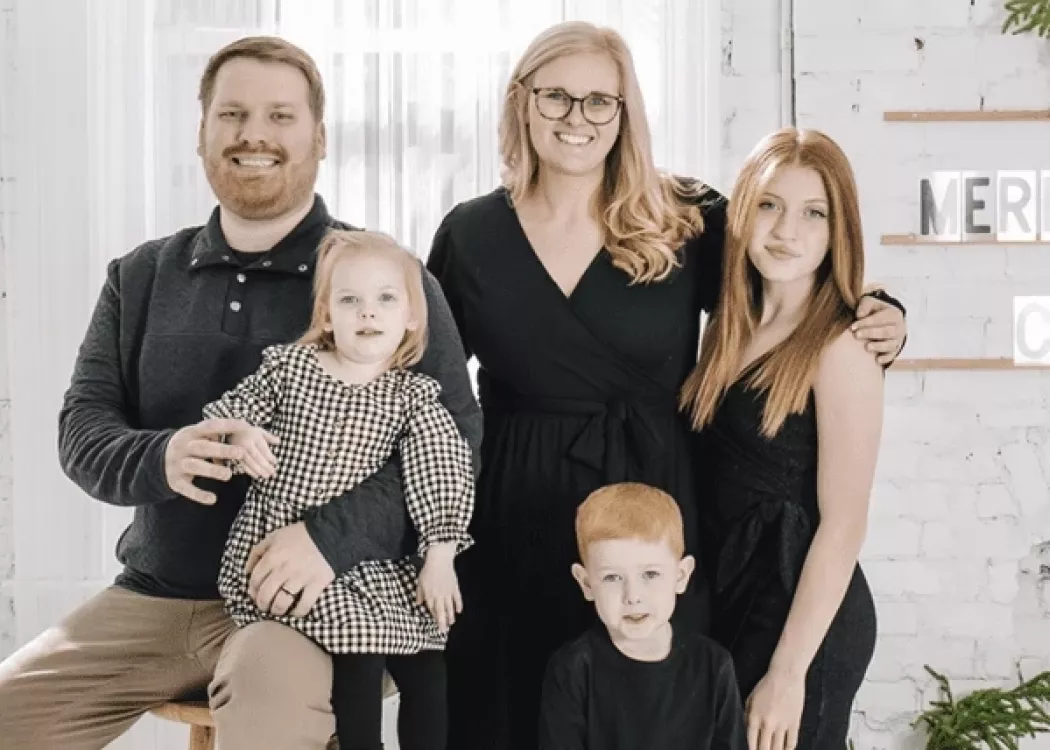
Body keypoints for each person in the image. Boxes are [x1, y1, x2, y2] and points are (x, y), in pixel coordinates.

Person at [424, 20, 905, 750]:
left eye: (600, 101)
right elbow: (423, 390)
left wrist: (884, 311)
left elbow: (790, 272)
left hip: (656, 511)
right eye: (556, 97)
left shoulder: (681, 216)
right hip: (509, 512)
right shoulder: (469, 235)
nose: (577, 119)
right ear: (521, 102)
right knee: (510, 714)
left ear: (626, 112)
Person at [0, 37, 481, 750]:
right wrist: (160, 457)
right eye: (233, 114)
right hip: (152, 598)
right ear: (202, 134)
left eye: (280, 116)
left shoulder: (382, 278)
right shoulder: (140, 277)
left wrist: (328, 539)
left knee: (270, 706)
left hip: (305, 604)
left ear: (318, 137)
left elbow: (455, 441)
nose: (254, 134)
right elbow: (83, 429)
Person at [203, 229, 473, 750]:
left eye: (385, 299)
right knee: (359, 660)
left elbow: (441, 470)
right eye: (351, 300)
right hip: (297, 556)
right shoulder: (290, 370)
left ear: (411, 318)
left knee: (430, 666)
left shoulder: (413, 396)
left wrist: (440, 554)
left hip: (378, 563)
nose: (368, 313)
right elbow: (228, 415)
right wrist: (242, 436)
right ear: (327, 315)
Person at [680, 127, 883, 750]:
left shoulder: (842, 344)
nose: (786, 231)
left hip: (802, 614)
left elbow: (843, 525)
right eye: (769, 205)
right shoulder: (726, 330)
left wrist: (790, 671)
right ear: (741, 211)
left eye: (812, 213)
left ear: (836, 230)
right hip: (734, 595)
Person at [538, 482, 748, 750]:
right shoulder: (572, 669)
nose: (632, 596)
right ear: (586, 583)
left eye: (650, 574)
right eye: (612, 577)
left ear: (681, 576)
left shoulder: (714, 665)